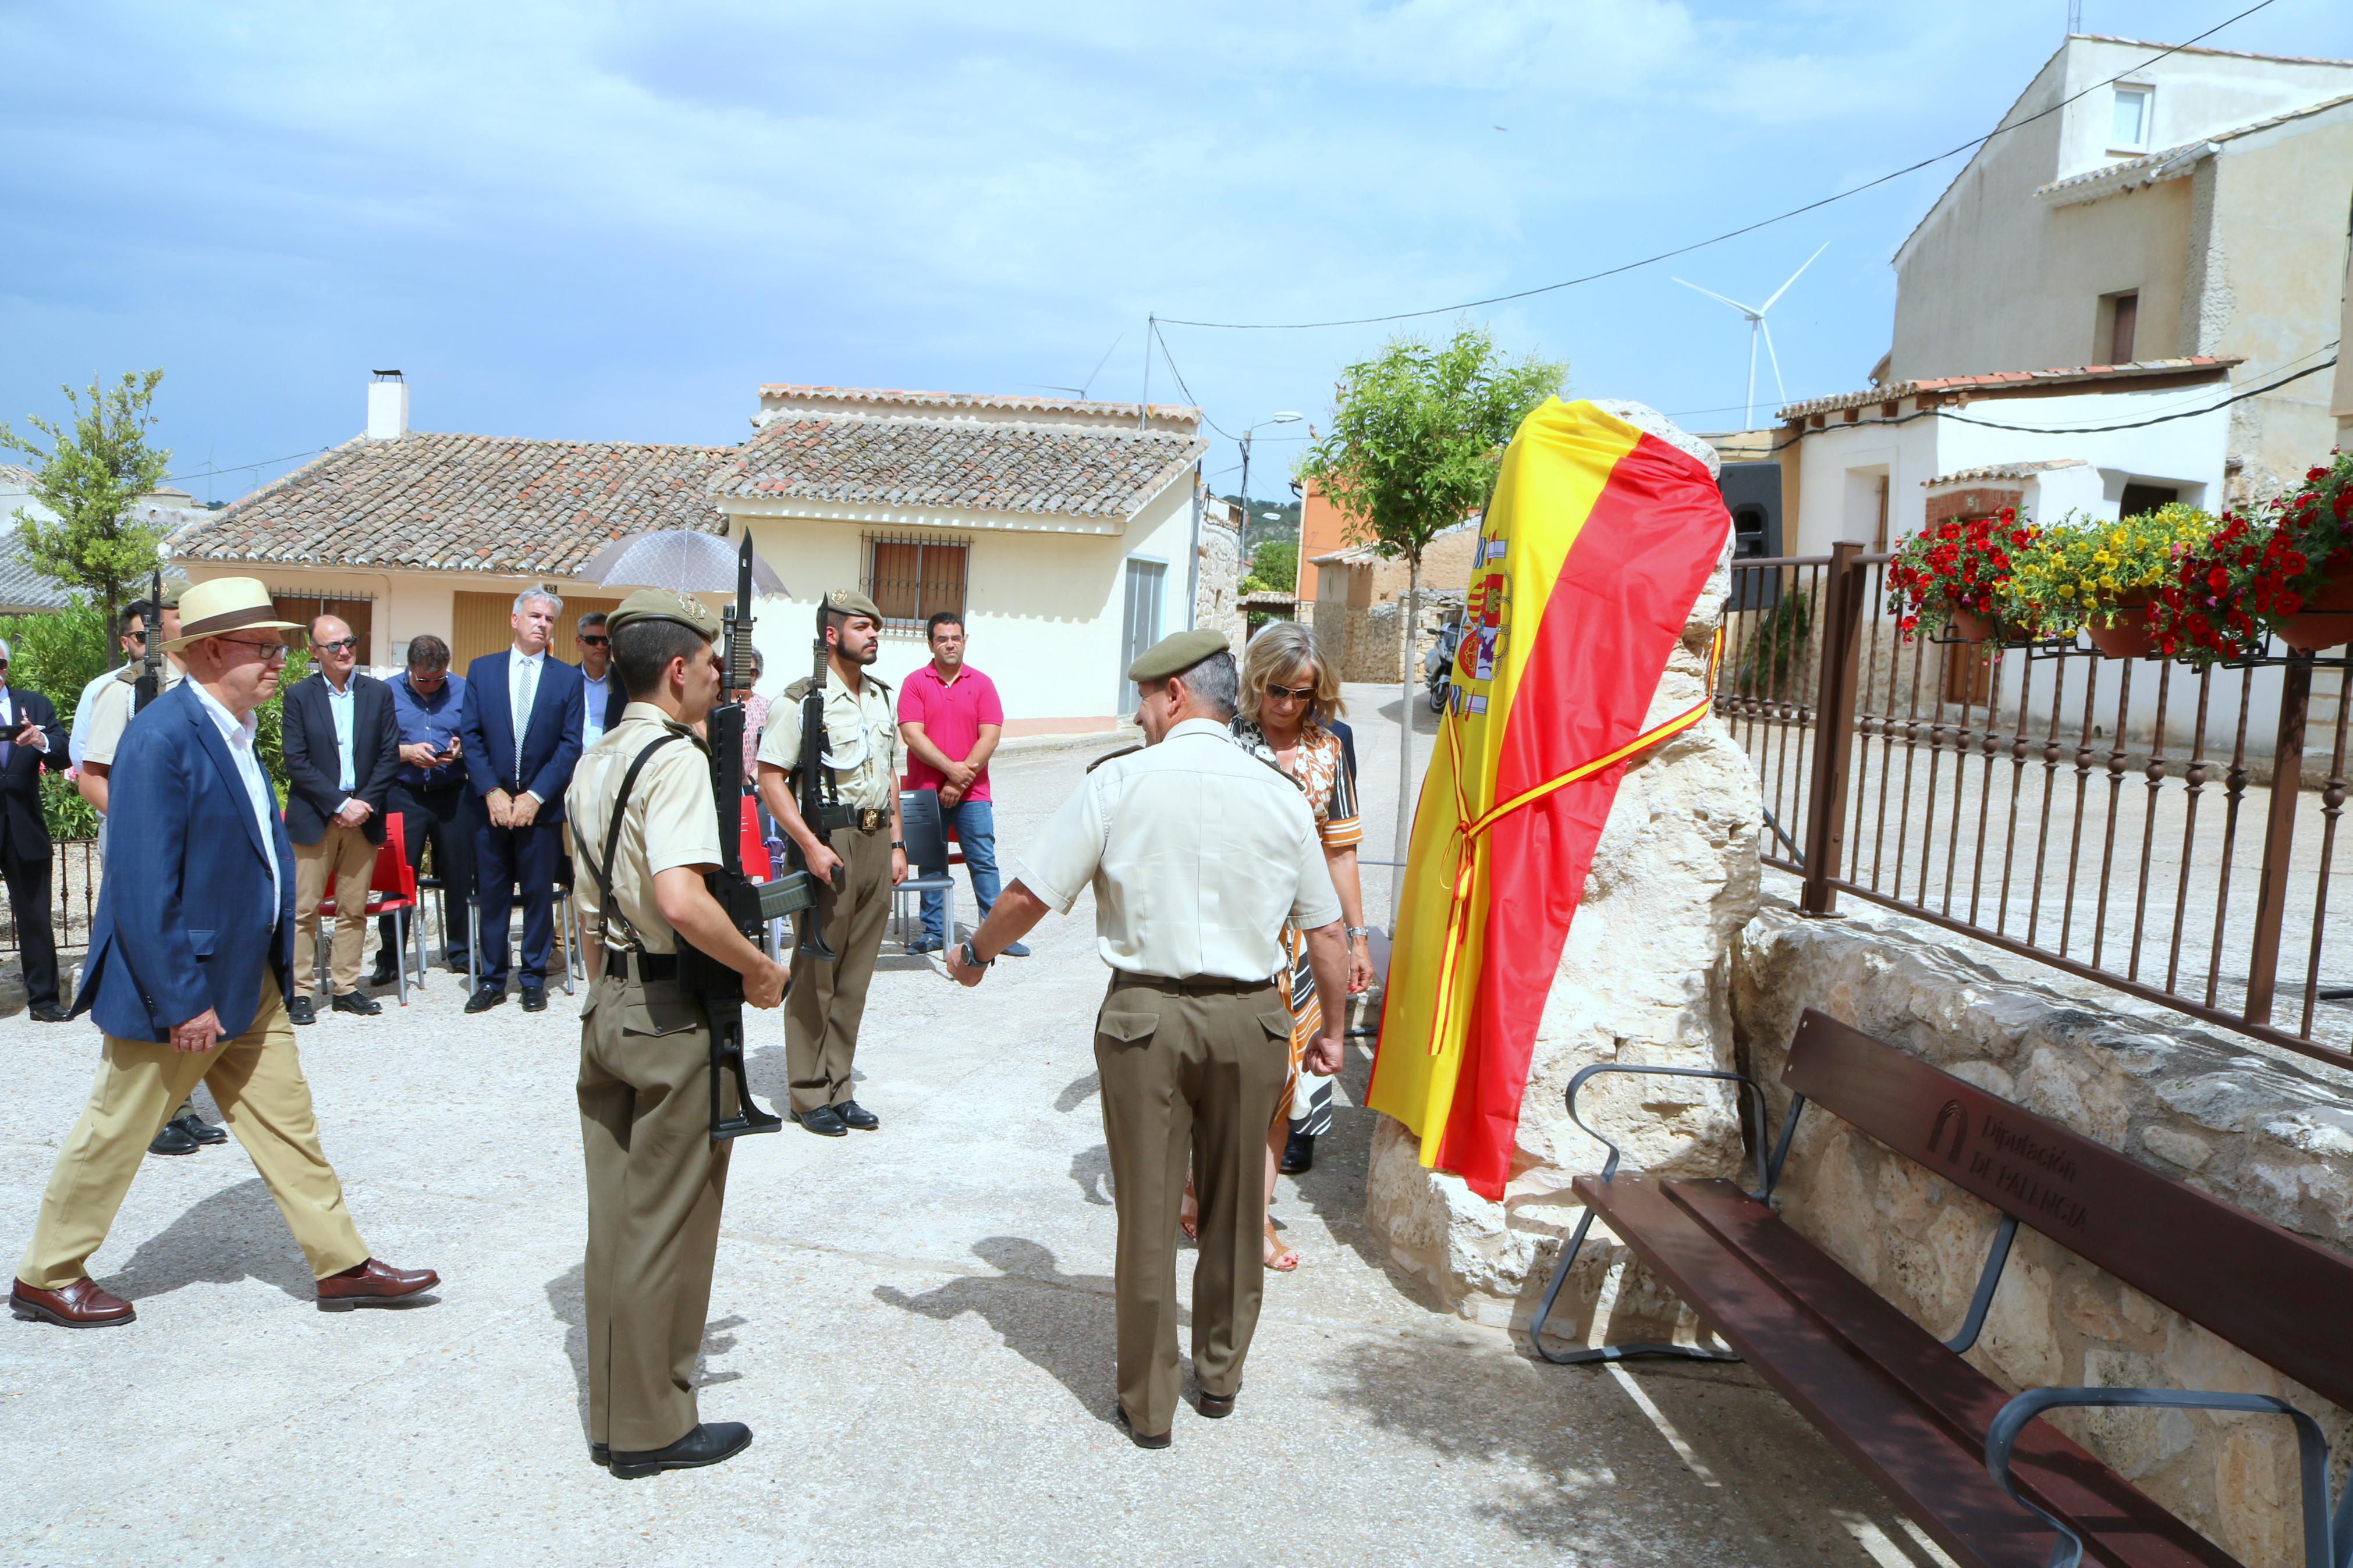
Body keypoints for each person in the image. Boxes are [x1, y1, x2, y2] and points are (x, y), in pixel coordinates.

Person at [944, 629, 1345, 1448]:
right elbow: (1327, 931)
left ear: (1173, 693)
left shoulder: (1117, 782)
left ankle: (1149, 1405)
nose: (1136, 711)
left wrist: (975, 952)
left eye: (1143, 695)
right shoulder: (1277, 791)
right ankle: (1220, 1375)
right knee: (1238, 1207)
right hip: (1249, 1016)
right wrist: (1332, 1029)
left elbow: (1028, 893)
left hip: (1143, 1018)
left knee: (1147, 1209)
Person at [8, 577, 439, 1329]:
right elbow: (143, 886)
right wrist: (183, 1000)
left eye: (281, 647)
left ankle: (340, 1261)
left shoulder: (235, 728)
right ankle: (47, 1273)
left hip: (246, 977)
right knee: (117, 1128)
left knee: (288, 1123)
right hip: (180, 985)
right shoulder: (161, 737)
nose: (280, 660)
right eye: (265, 647)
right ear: (212, 650)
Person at [566, 589, 786, 1478]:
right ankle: (655, 1426)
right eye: (706, 661)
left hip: (610, 1005)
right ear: (676, 670)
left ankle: (616, 1412)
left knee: (617, 1221)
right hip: (667, 1011)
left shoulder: (596, 757)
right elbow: (680, 897)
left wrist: (606, 992)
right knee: (669, 1222)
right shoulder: (673, 761)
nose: (713, 674)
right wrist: (757, 968)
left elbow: (585, 909)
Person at [1216, 623, 1375, 1265]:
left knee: (1282, 1080)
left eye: (1300, 694)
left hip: (1301, 944)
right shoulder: (1222, 742)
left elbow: (1340, 851)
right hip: (1223, 931)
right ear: (1254, 683)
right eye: (1275, 690)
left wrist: (1356, 937)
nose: (1285, 704)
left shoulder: (1329, 748)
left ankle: (1254, 1220)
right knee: (1221, 1075)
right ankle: (1203, 1188)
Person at [75, 580, 223, 1158]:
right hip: (142, 853)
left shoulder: (195, 695)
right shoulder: (127, 692)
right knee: (148, 976)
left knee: (186, 972)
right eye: (163, 626)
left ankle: (178, 1103)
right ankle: (148, 1110)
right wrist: (150, 826)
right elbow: (93, 775)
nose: (172, 634)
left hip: (188, 858)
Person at [754, 589, 906, 1137]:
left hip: (872, 839)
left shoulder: (880, 698)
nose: (873, 636)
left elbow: (890, 772)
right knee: (817, 968)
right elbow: (770, 778)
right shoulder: (800, 701)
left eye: (875, 628)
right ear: (831, 634)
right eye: (862, 626)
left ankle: (839, 1085)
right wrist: (809, 844)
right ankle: (807, 1092)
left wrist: (896, 842)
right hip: (827, 839)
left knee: (856, 974)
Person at [457, 588, 584, 1014]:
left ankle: (532, 977)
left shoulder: (568, 678)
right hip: (489, 808)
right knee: (492, 894)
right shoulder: (482, 670)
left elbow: (570, 745)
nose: (541, 624)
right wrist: (492, 791)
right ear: (514, 619)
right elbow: (471, 737)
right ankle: (493, 978)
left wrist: (534, 795)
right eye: (534, 616)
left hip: (541, 808)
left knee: (536, 894)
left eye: (548, 619)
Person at [281, 615, 400, 1025]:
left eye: (349, 641)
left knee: (353, 908)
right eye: (333, 645)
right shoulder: (298, 695)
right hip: (316, 815)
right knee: (303, 909)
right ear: (314, 652)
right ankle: (299, 992)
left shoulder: (378, 693)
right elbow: (295, 760)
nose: (344, 650)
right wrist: (338, 803)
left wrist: (363, 802)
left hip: (363, 816)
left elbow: (389, 754)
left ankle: (347, 988)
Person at [896, 611, 1024, 958]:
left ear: (965, 641)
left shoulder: (982, 684)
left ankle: (996, 933)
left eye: (955, 637)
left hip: (974, 794)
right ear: (931, 644)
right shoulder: (915, 683)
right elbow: (911, 734)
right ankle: (934, 931)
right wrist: (952, 771)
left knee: (982, 859)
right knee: (929, 861)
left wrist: (960, 778)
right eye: (942, 639)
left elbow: (991, 735)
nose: (949, 644)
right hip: (924, 792)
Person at [374, 635, 475, 980]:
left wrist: (460, 750)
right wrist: (406, 752)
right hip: (404, 794)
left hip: (453, 792)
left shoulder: (464, 689)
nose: (432, 686)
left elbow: (479, 737)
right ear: (409, 669)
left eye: (439, 680)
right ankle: (390, 960)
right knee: (398, 876)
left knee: (459, 874)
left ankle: (460, 950)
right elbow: (372, 744)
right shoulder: (385, 693)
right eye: (424, 680)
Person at [0, 637, 69, 1022]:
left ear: (6, 666)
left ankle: (43, 1000)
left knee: (35, 915)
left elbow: (65, 751)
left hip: (24, 824)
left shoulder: (35, 704)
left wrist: (41, 739)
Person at [574, 611, 625, 750]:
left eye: (605, 641)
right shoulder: (567, 680)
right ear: (579, 643)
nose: (600, 646)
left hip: (612, 763)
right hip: (574, 766)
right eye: (592, 640)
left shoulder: (626, 683)